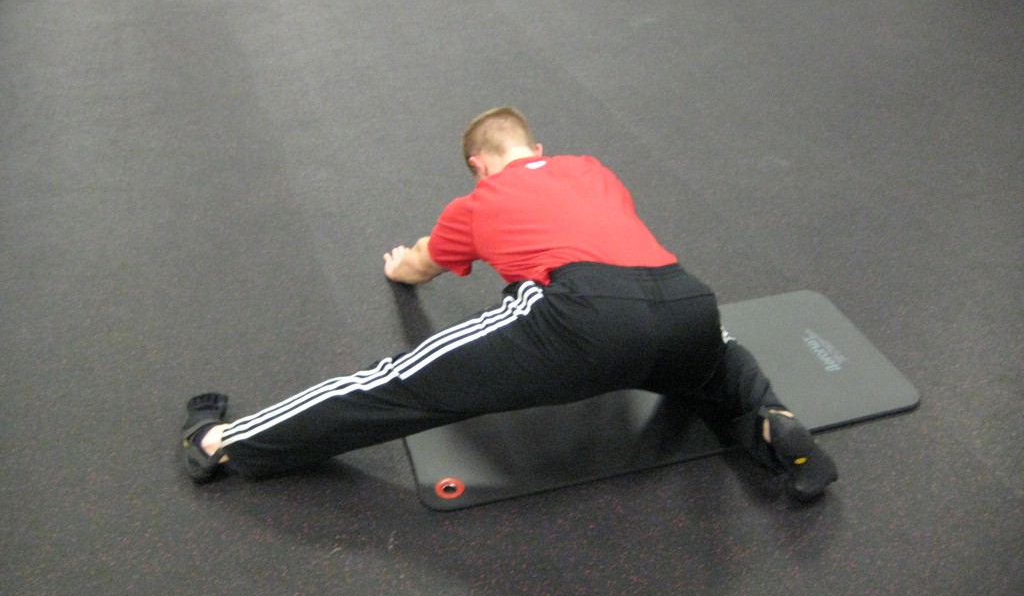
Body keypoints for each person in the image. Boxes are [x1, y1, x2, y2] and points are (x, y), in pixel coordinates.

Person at [182, 107, 837, 501]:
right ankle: (770, 418)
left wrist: (400, 263)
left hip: (584, 315)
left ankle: (225, 443)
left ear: (477, 162)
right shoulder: (590, 168)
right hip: (685, 298)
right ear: (536, 148)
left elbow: (418, 268)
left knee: (396, 385)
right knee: (717, 359)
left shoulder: (474, 204)